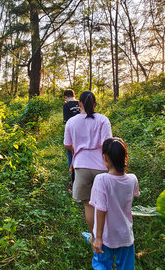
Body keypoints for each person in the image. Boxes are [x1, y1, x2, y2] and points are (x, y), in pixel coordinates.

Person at [64, 91, 112, 234]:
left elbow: (67, 144)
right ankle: (106, 236)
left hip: (81, 167)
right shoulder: (103, 120)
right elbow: (107, 144)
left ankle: (94, 237)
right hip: (102, 167)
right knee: (103, 204)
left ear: (80, 104)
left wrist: (77, 151)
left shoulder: (72, 122)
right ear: (95, 104)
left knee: (88, 205)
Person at [88, 137, 139, 270]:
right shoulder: (133, 179)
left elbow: (101, 209)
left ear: (105, 158)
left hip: (106, 236)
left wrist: (98, 238)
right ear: (125, 158)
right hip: (125, 235)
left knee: (102, 265)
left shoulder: (101, 180)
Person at [63, 89, 81, 186]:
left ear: (65, 97)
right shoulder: (80, 103)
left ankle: (74, 180)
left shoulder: (66, 105)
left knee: (71, 156)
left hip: (72, 133)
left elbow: (66, 121)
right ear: (74, 95)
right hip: (83, 133)